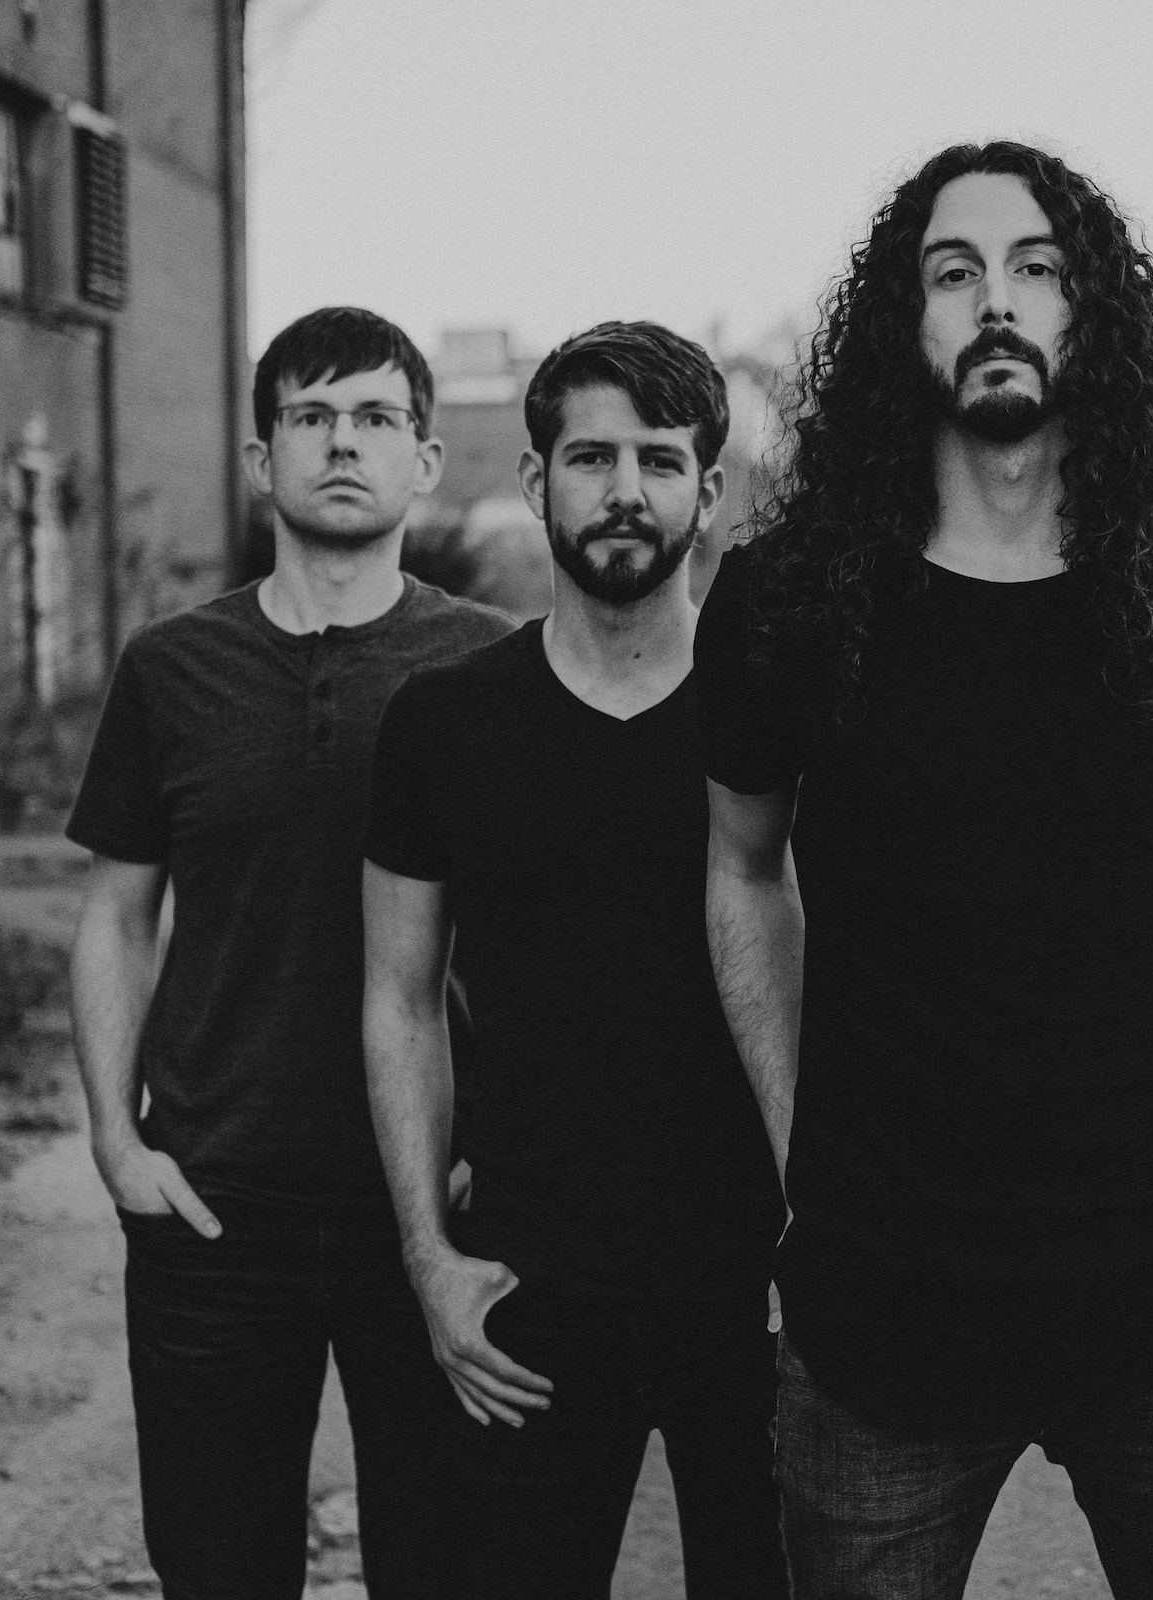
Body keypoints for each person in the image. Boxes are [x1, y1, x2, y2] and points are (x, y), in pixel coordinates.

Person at [695, 140, 1153, 1599]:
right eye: (954, 271)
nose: (996, 301)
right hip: (882, 1304)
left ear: (1092, 311)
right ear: (901, 321)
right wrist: (799, 1139)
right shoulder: (791, 599)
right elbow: (744, 872)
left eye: (1037, 268)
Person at [66, 306, 515, 1598]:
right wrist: (118, 1142)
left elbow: (544, 936)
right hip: (216, 1204)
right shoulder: (173, 669)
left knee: (450, 1570)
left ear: (426, 458)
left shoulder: (492, 668)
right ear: (263, 458)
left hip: (433, 1203)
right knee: (219, 1569)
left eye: (375, 417)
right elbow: (116, 916)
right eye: (311, 417)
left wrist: (507, 1141)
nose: (343, 443)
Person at [359, 320, 786, 1597]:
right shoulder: (446, 723)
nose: (624, 490)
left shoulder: (783, 713)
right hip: (530, 1283)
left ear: (711, 490)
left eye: (660, 459)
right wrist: (430, 1258)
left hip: (756, 1281)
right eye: (591, 457)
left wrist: (833, 1237)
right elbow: (397, 996)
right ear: (537, 479)